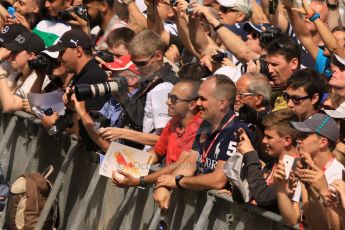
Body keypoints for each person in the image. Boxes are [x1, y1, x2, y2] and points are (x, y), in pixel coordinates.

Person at [153, 75, 254, 209]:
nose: (198, 103)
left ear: (222, 103)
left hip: (229, 214)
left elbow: (218, 179)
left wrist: (177, 181)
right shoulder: (205, 124)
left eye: (203, 99)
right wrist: (166, 184)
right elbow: (189, 164)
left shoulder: (236, 130)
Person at [111, 80, 203, 188]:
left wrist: (140, 180)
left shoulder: (199, 127)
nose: (168, 102)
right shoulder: (173, 121)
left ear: (192, 105)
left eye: (174, 99)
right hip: (168, 184)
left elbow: (179, 165)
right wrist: (127, 165)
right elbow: (157, 152)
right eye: (169, 96)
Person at [98, 30, 179, 149]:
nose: (136, 68)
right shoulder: (154, 82)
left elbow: (165, 138)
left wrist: (123, 133)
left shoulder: (163, 87)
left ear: (158, 56)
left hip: (153, 161)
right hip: (146, 157)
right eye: (133, 62)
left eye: (141, 63)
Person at [274, 113, 344, 229]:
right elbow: (291, 219)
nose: (298, 140)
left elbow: (333, 227)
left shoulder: (337, 173)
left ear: (323, 142)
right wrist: (280, 186)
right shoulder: (303, 165)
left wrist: (319, 191)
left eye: (304, 136)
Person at [236, 109, 299, 212]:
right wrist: (244, 156)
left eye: (269, 137)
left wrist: (251, 155)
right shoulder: (272, 163)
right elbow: (244, 195)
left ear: (287, 140)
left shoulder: (295, 169)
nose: (264, 141)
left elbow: (263, 198)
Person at [0, 31, 45, 112]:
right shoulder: (13, 66)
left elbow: (9, 106)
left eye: (16, 51)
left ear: (31, 55)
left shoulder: (37, 76)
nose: (11, 54)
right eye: (11, 49)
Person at [265, 36, 301, 111]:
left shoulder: (305, 94)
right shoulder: (276, 91)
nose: (269, 70)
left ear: (294, 63)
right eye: (268, 64)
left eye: (274, 64)